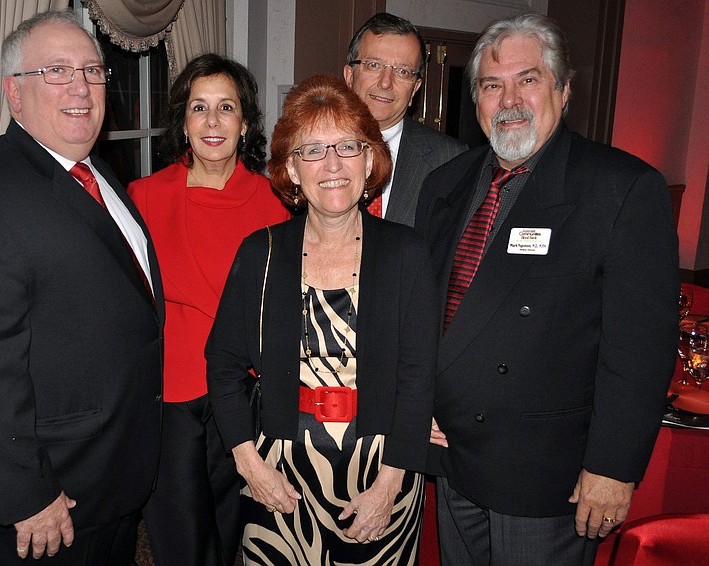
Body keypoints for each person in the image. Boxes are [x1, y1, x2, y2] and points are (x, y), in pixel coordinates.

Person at [414, 13, 679, 565]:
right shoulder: (445, 184)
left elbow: (641, 348)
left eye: (527, 79)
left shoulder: (621, 188)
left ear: (562, 88)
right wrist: (417, 401)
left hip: (545, 475)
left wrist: (613, 467)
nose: (509, 99)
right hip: (452, 453)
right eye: (492, 85)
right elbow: (422, 311)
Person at [0, 10, 163, 565]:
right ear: (14, 93)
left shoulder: (98, 175)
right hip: (45, 504)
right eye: (56, 70)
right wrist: (28, 493)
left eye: (93, 71)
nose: (80, 86)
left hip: (109, 473)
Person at [206, 74, 439, 565]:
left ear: (371, 159)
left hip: (381, 470)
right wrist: (249, 464)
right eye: (312, 150)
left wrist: (393, 481)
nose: (332, 165)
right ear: (291, 169)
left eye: (348, 147)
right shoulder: (260, 253)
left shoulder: (406, 253)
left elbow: (419, 378)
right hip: (280, 471)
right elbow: (222, 364)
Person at [127, 53, 289, 566]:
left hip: (243, 392)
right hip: (168, 394)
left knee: (229, 527)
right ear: (183, 121)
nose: (213, 122)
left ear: (245, 124)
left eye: (227, 107)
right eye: (200, 108)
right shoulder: (143, 197)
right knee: (177, 532)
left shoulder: (276, 204)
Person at [343, 12, 466, 226]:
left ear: (415, 89)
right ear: (349, 76)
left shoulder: (450, 159)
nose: (385, 83)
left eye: (402, 71)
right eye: (373, 65)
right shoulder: (314, 149)